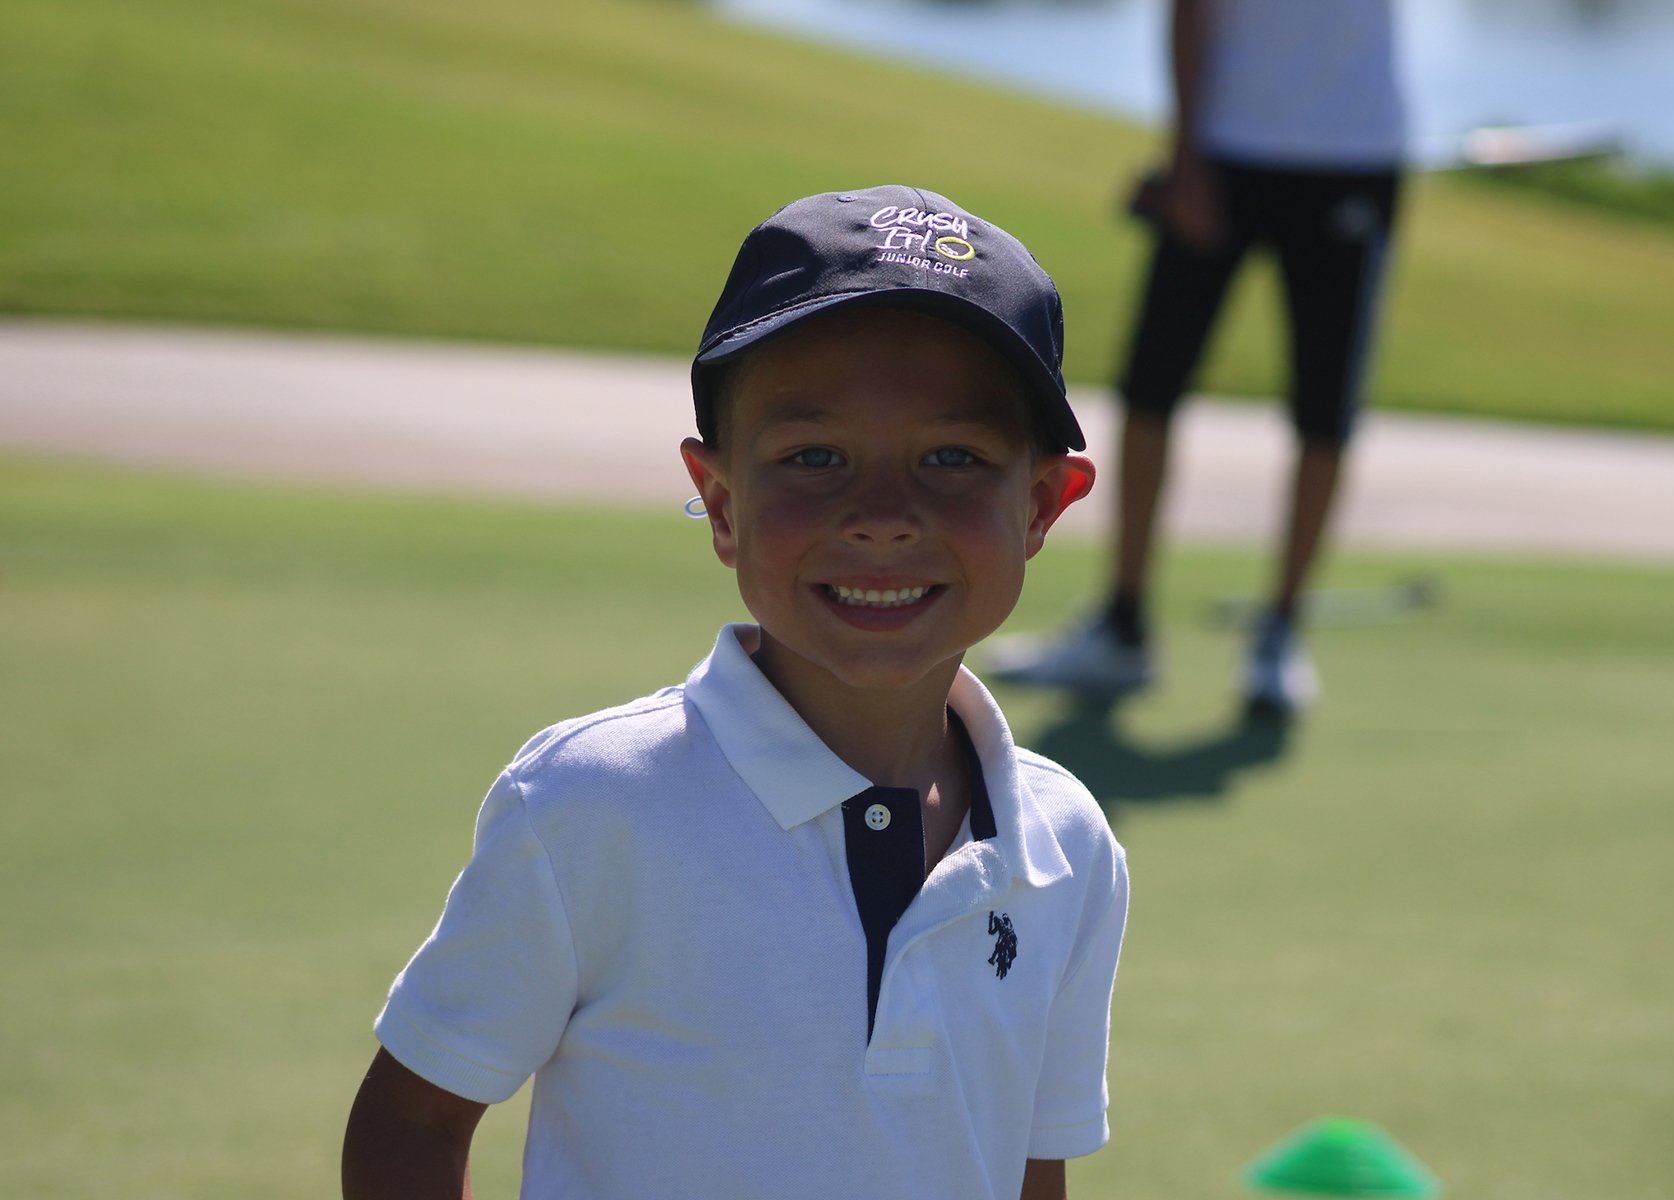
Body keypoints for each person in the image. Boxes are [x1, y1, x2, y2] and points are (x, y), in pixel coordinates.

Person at [340, 185, 1128, 1200]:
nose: (882, 514)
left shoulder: (1067, 844)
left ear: (1043, 503)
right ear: (719, 502)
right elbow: (413, 1121)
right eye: (814, 457)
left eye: (951, 457)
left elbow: (1027, 1165)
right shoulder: (592, 801)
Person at [993, 0, 1406, 719]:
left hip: (1356, 153)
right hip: (1223, 148)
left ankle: (1279, 632)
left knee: (1325, 410)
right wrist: (1185, 157)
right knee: (1150, 388)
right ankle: (1123, 624)